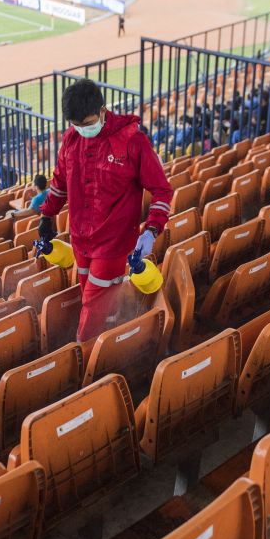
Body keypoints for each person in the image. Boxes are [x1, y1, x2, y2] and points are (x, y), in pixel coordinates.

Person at [37, 79, 173, 342]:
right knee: (88, 291)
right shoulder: (71, 138)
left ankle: (84, 354)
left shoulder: (134, 142)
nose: (82, 130)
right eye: (76, 125)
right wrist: (47, 215)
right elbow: (59, 182)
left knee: (92, 303)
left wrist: (152, 230)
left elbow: (162, 190)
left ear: (102, 111)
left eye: (87, 124)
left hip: (113, 243)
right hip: (80, 239)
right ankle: (109, 334)